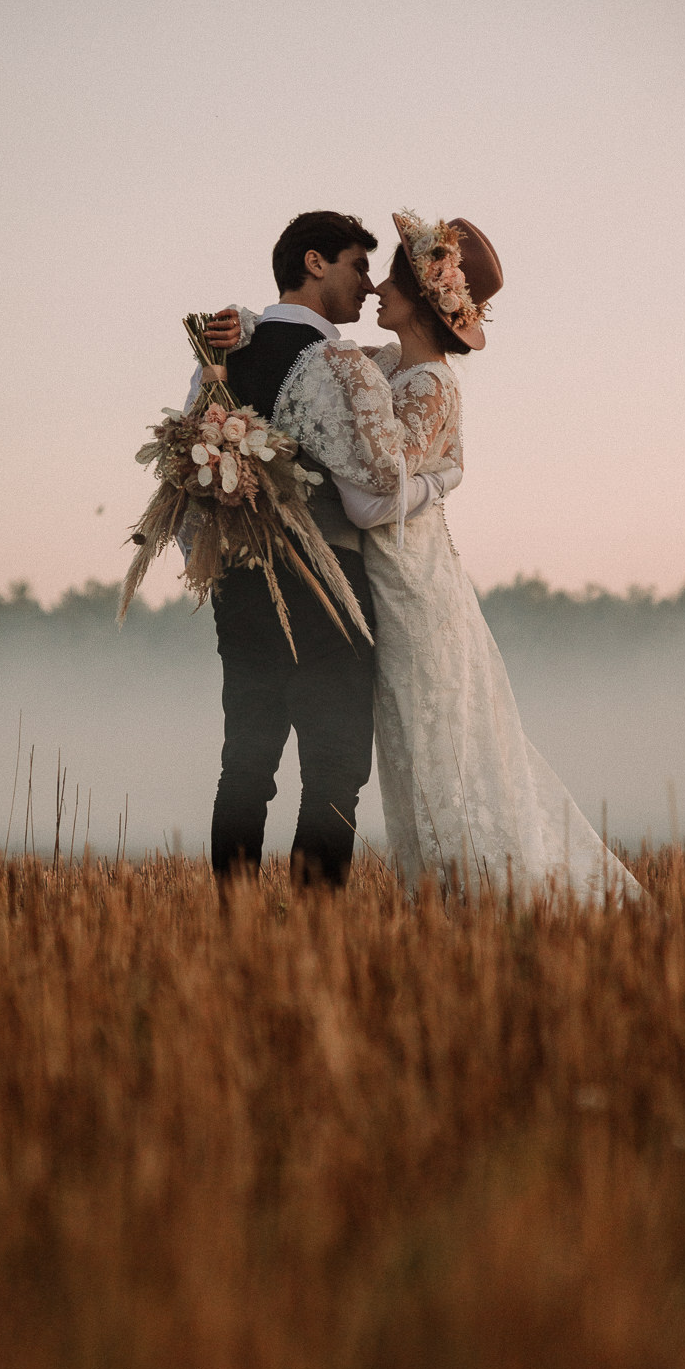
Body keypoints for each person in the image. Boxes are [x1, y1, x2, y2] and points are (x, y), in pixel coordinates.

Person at [218, 212, 641, 903]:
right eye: (371, 271)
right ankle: (424, 899)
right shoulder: (384, 365)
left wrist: (444, 478)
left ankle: (468, 893)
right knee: (394, 748)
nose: (378, 286)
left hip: (404, 581)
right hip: (377, 575)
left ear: (423, 299)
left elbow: (370, 504)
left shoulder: (427, 385)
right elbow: (310, 353)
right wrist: (244, 321)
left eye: (394, 279)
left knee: (427, 744)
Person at [195, 210, 461, 887]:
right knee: (335, 770)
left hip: (239, 587)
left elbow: (191, 482)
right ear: (315, 264)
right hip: (327, 588)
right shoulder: (337, 364)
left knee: (246, 764)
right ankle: (315, 933)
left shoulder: (216, 362)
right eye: (358, 265)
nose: (368, 286)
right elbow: (371, 489)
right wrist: (444, 475)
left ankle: (237, 929)